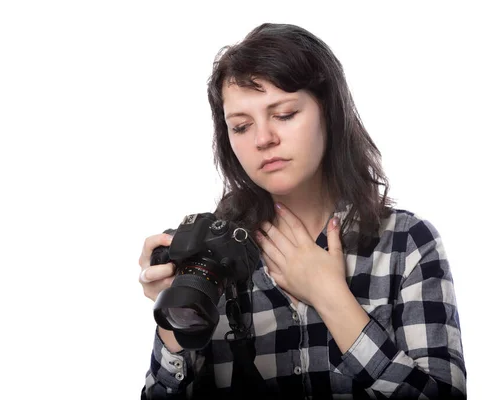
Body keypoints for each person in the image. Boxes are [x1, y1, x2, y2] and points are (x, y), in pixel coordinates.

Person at [138, 23, 466, 399]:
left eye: (285, 114)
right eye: (241, 126)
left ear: (329, 111)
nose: (263, 139)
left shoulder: (406, 244)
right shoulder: (212, 255)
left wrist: (329, 296)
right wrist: (174, 325)